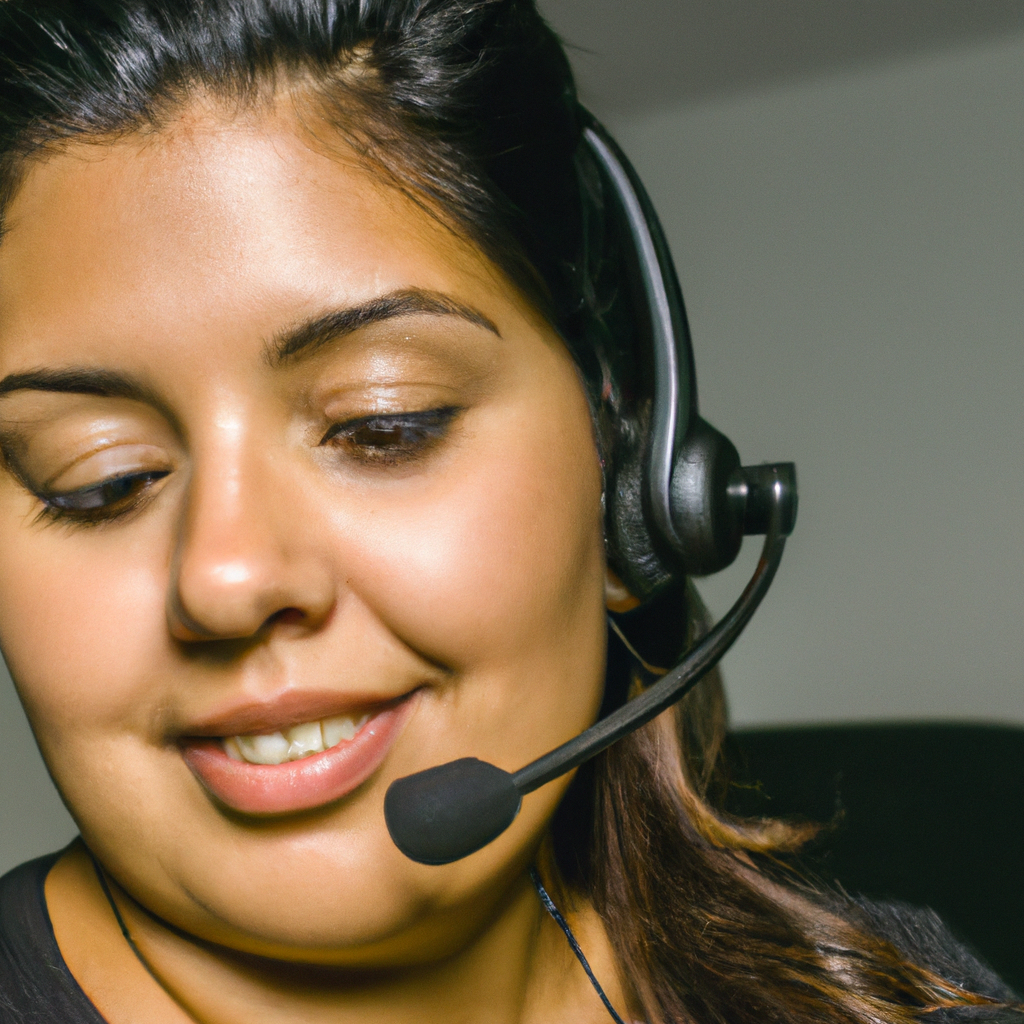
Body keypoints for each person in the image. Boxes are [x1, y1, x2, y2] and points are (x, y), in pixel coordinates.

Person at [0, 2, 1018, 1022]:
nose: (226, 578)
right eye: (102, 480)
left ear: (634, 490)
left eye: (383, 423)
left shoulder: (898, 996)